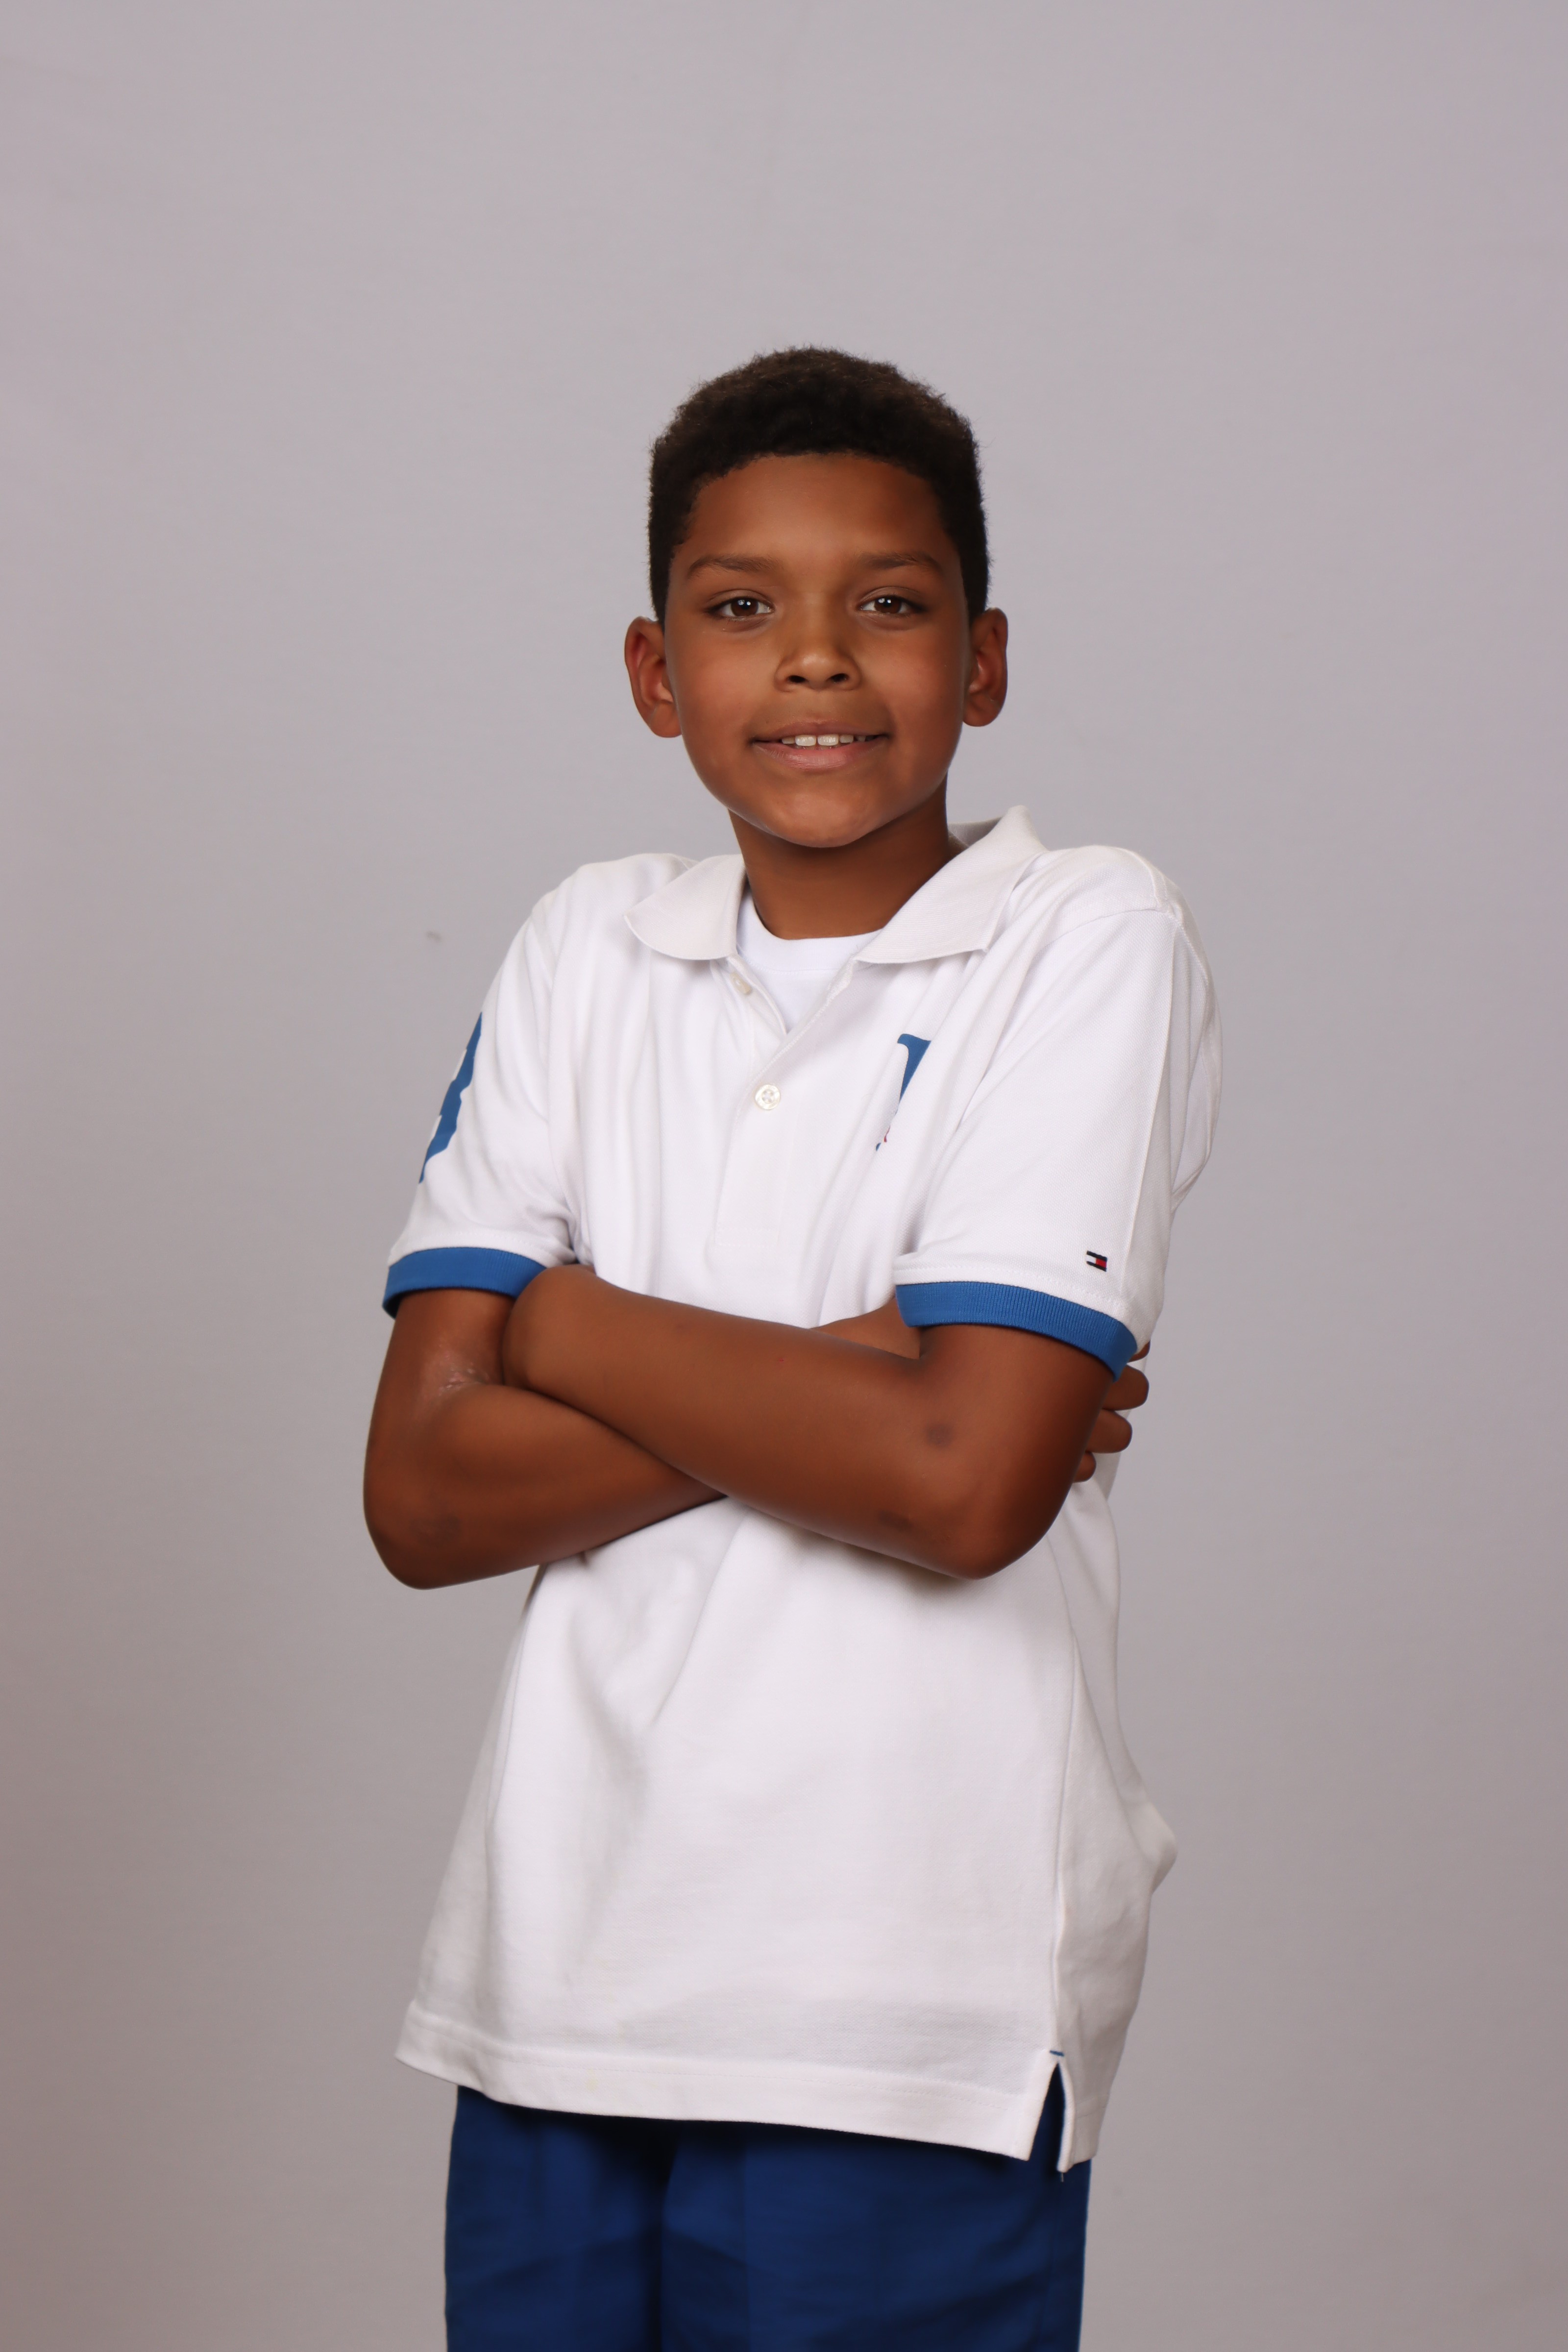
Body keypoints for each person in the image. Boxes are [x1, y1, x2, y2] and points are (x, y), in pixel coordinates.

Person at [364, 347, 1220, 2350]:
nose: (817, 657)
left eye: (888, 603)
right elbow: (421, 1498)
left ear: (981, 661)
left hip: (900, 2003)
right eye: (743, 606)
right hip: (558, 1982)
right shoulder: (587, 943)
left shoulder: (1085, 932)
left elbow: (963, 1489)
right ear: (656, 673)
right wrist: (850, 1369)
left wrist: (561, 1327)